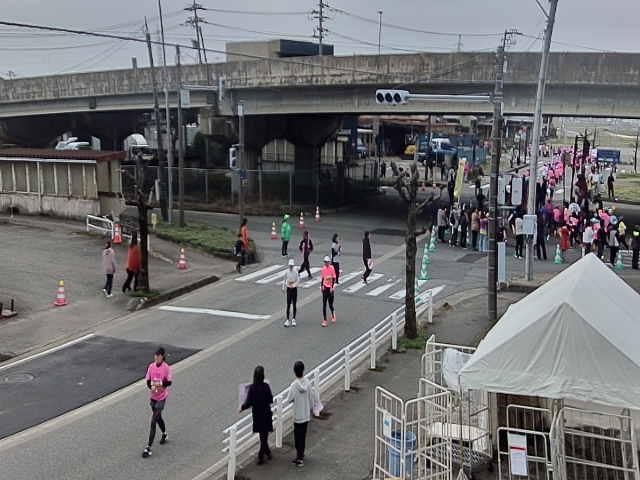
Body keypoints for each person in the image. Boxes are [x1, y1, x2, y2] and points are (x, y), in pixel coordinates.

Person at [142, 347, 172, 458]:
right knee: (158, 418)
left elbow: (169, 382)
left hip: (161, 398)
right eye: (155, 356)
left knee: (153, 421)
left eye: (158, 356)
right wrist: (152, 387)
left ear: (162, 357)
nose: (156, 358)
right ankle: (164, 434)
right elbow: (148, 380)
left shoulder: (166, 368)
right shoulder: (151, 366)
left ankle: (148, 447)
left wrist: (161, 384)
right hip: (153, 397)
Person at [241, 366, 273, 465]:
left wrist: (242, 408)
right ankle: (266, 453)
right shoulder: (266, 386)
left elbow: (248, 403)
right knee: (264, 435)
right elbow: (270, 399)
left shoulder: (252, 388)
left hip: (257, 415)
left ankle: (262, 455)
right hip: (266, 414)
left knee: (262, 436)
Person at [286, 361, 313, 467]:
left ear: (294, 371)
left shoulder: (294, 385)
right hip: (306, 414)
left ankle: (299, 457)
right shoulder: (307, 382)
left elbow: (289, 399)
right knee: (303, 435)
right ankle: (301, 454)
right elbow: (311, 396)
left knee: (297, 437)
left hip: (298, 415)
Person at [283, 259, 299, 328]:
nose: (291, 266)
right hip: (289, 289)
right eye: (290, 265)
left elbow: (298, 280)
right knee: (288, 304)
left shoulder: (295, 272)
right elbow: (284, 279)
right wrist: (284, 287)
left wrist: (294, 285)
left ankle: (294, 319)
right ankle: (287, 319)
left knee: (294, 304)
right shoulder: (286, 272)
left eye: (292, 265)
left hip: (294, 289)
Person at [320, 256, 336, 327]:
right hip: (325, 287)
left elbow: (334, 278)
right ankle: (325, 320)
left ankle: (333, 314)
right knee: (324, 304)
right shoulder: (323, 269)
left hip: (330, 288)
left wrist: (332, 287)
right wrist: (321, 286)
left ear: (329, 262)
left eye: (327, 262)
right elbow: (322, 278)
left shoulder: (332, 268)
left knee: (330, 304)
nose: (326, 263)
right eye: (325, 262)